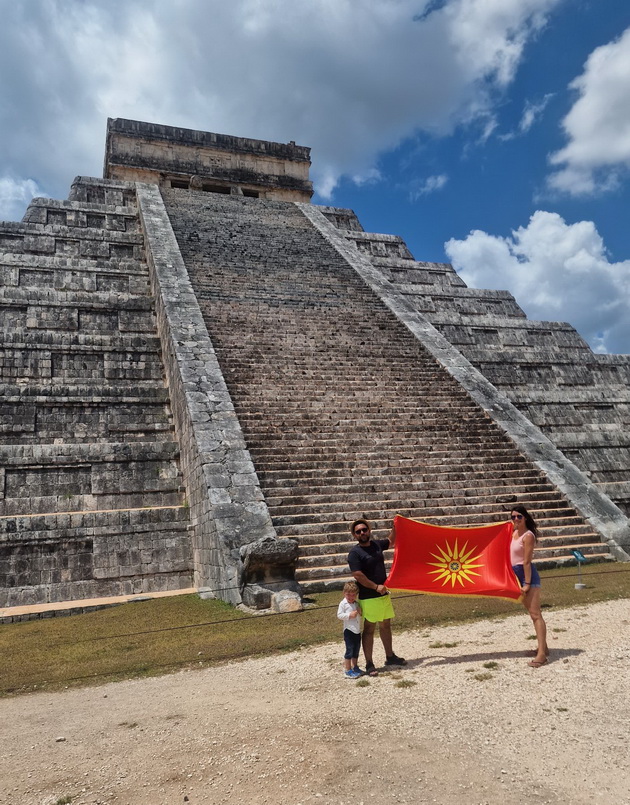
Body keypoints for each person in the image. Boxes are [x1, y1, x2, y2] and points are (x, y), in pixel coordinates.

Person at [347, 518, 406, 676]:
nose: (362, 533)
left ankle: (390, 656)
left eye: (364, 530)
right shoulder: (355, 553)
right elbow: (358, 575)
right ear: (354, 535)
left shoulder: (376, 545)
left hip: (383, 593)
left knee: (386, 625)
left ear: (369, 530)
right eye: (358, 531)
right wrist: (375, 587)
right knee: (369, 629)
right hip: (369, 596)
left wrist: (396, 526)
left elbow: (391, 541)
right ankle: (369, 663)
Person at [510, 504, 549, 667]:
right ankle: (544, 648)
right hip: (515, 574)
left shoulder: (528, 535)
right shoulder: (513, 534)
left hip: (527, 575)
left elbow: (526, 561)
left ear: (525, 517)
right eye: (513, 517)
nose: (516, 519)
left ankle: (542, 654)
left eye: (519, 516)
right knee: (531, 612)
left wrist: (526, 583)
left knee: (535, 614)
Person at [337, 581, 363, 678]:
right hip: (348, 630)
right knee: (349, 649)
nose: (351, 597)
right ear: (344, 593)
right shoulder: (343, 603)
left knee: (356, 649)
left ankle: (355, 666)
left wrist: (360, 612)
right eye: (349, 595)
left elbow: (360, 614)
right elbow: (339, 615)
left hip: (357, 630)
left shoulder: (356, 603)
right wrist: (349, 615)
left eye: (353, 595)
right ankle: (348, 670)